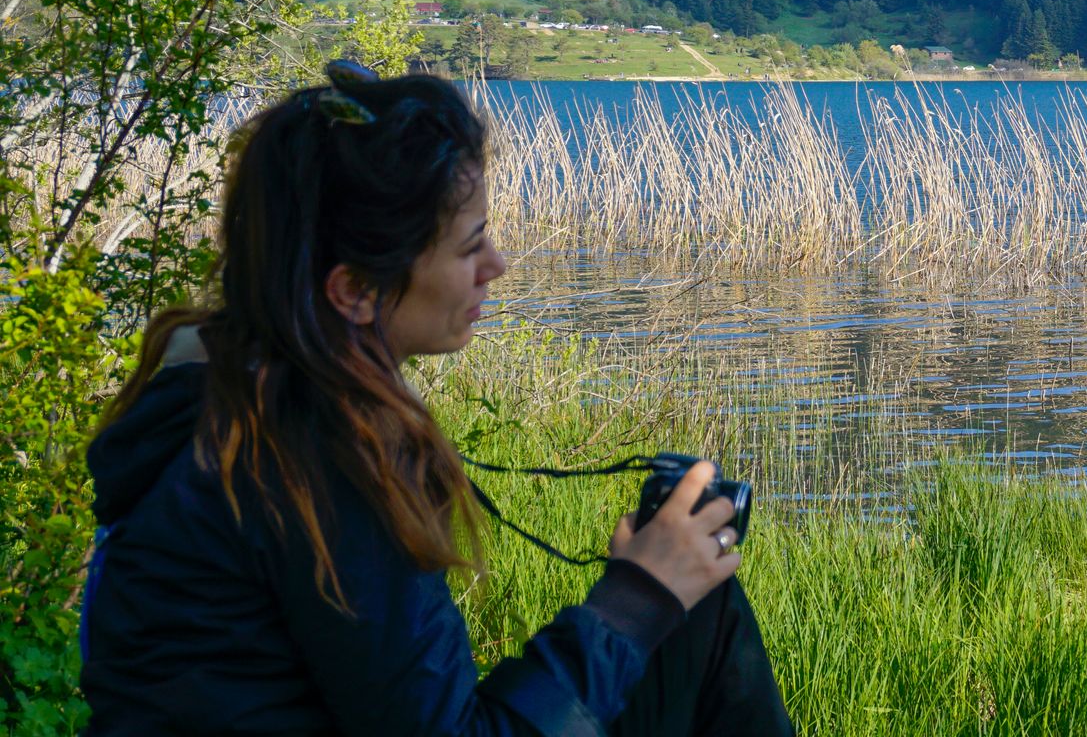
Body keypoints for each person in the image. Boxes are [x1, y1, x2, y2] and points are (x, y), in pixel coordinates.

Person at [79, 65, 793, 736]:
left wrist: (657, 597)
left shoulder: (225, 388)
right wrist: (639, 597)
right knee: (684, 601)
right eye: (469, 246)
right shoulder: (314, 459)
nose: (497, 266)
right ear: (354, 289)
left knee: (696, 604)